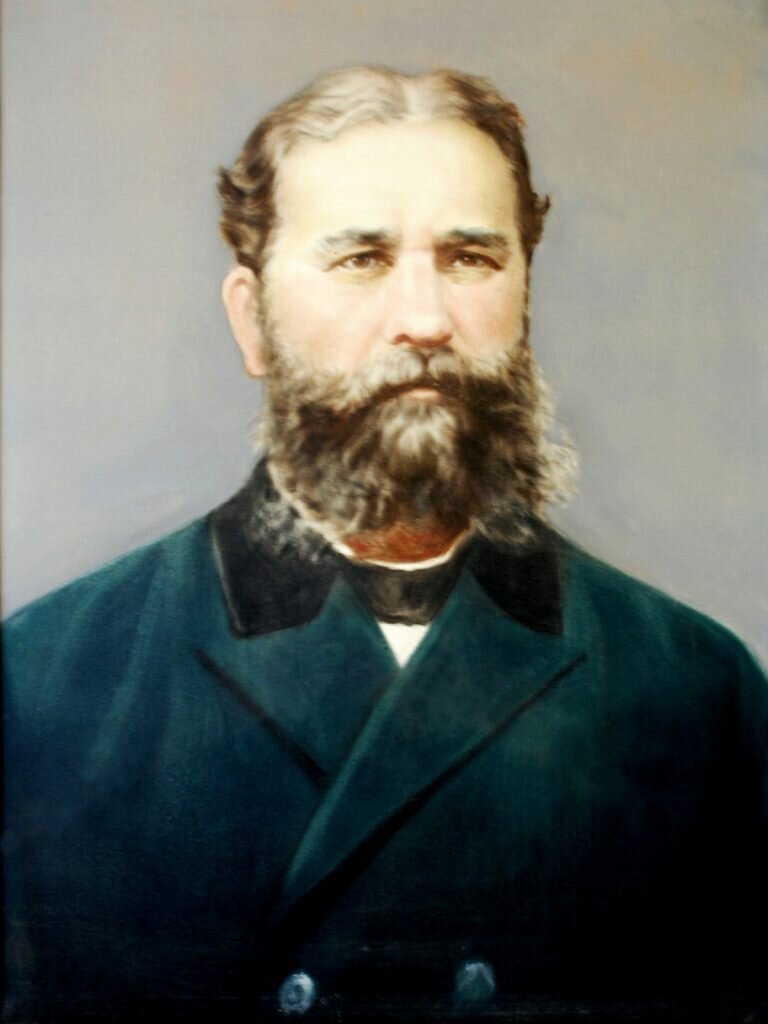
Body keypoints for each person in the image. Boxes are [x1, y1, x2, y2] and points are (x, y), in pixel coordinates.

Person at [4, 66, 767, 1024]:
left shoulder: (700, 691)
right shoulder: (41, 682)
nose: (426, 320)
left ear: (525, 296)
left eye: (471, 258)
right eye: (362, 258)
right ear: (251, 319)